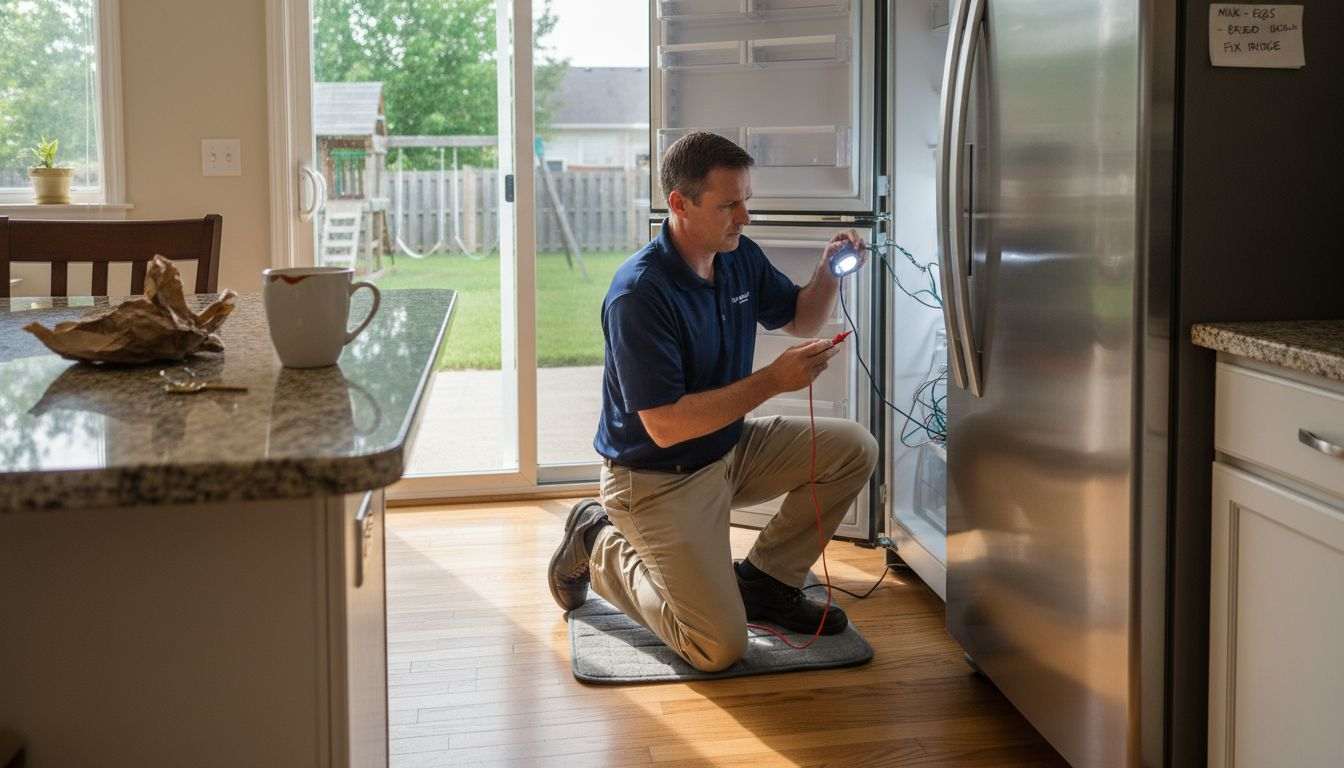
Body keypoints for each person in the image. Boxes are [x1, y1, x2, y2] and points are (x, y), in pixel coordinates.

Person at [547, 131, 879, 673]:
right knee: (716, 647)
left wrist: (826, 270)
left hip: (726, 451)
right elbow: (665, 426)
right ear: (680, 204)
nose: (744, 216)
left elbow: (800, 317)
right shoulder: (639, 294)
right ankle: (597, 541)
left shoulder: (736, 256)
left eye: (746, 200)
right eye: (729, 204)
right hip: (655, 478)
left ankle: (766, 583)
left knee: (854, 448)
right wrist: (772, 381)